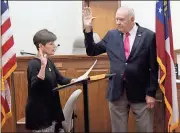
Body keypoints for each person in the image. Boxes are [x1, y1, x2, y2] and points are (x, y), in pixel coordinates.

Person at [82, 6, 158, 132]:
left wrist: (151, 92)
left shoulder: (148, 36)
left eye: (121, 20)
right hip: (117, 92)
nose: (117, 22)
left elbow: (153, 67)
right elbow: (92, 51)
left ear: (132, 19)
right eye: (116, 19)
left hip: (141, 93)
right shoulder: (111, 35)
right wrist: (88, 29)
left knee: (145, 129)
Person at [25, 29, 76, 132]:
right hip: (40, 116)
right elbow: (34, 87)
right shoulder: (33, 64)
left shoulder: (50, 62)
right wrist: (43, 66)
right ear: (41, 46)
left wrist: (74, 80)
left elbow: (61, 79)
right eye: (51, 43)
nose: (55, 46)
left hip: (53, 112)